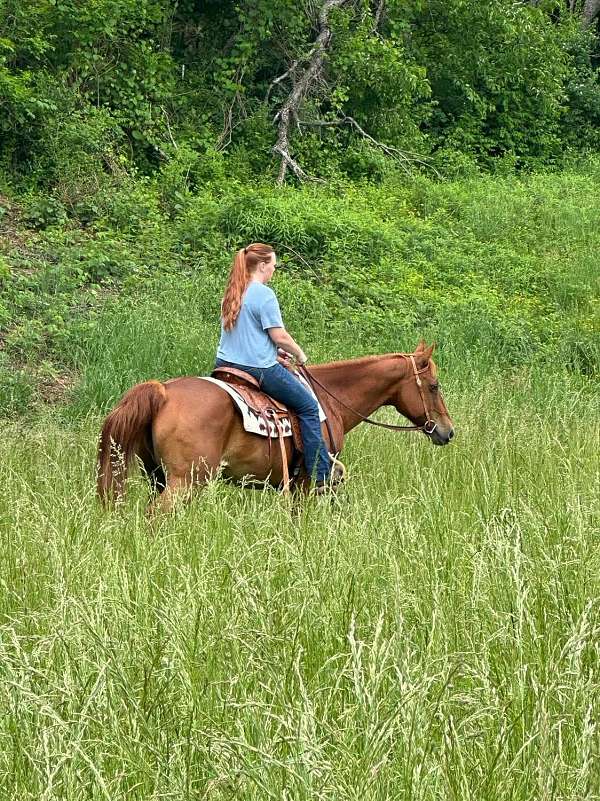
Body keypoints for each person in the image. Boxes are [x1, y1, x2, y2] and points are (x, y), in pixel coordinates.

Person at [215, 242, 332, 486]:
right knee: (309, 407)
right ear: (262, 265)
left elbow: (247, 334)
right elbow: (279, 336)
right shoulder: (264, 294)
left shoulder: (233, 290)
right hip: (257, 369)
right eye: (273, 266)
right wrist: (300, 354)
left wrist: (273, 351)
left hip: (225, 366)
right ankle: (321, 476)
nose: (274, 271)